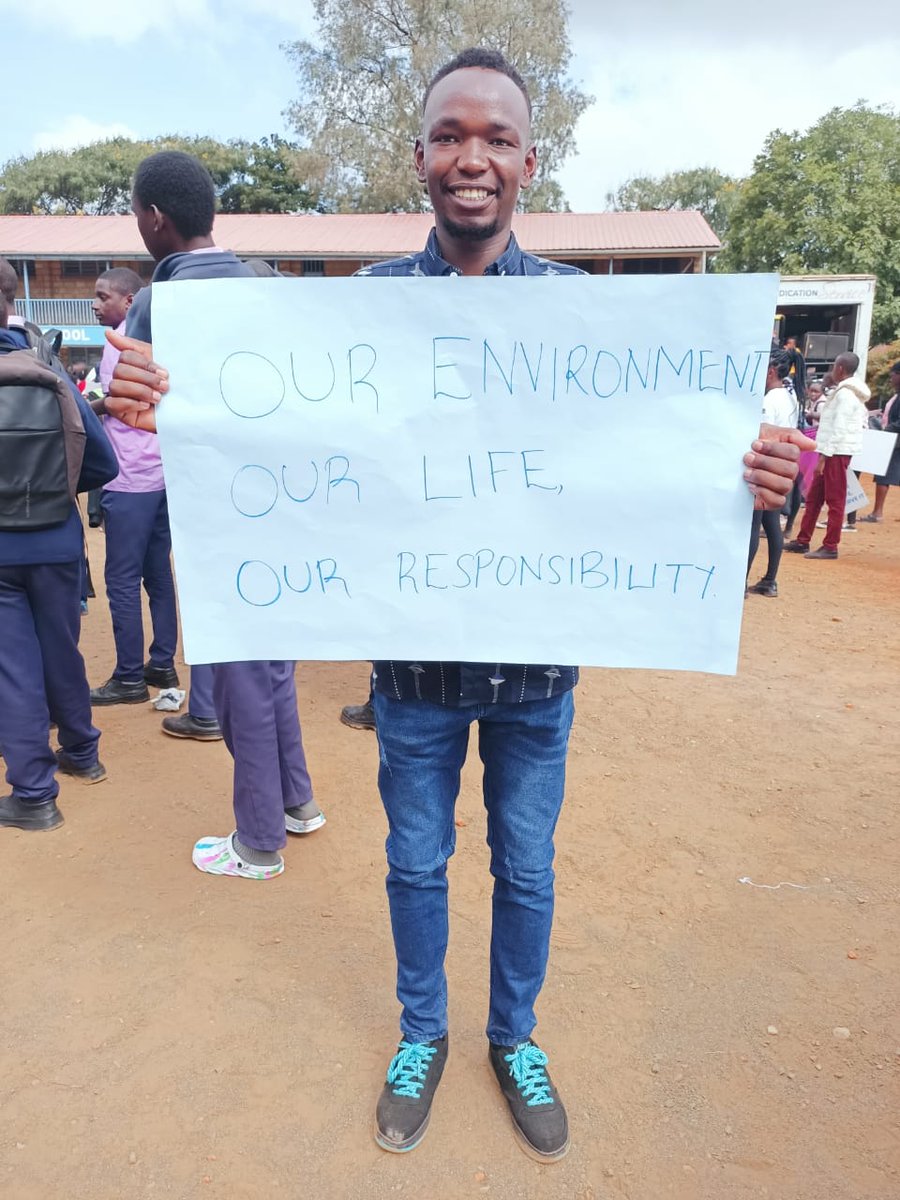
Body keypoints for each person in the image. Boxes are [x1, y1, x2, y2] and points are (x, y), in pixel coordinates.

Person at [104, 51, 810, 1160]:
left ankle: (513, 1037)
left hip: (539, 673)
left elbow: (666, 462)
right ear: (421, 155)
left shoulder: (593, 323)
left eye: (493, 138)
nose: (469, 157)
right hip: (416, 676)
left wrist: (758, 470)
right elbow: (277, 429)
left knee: (526, 867)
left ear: (530, 160)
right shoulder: (357, 317)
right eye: (448, 135)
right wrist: (157, 403)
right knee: (413, 862)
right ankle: (423, 1033)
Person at [118, 149, 323, 871]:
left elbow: (130, 409)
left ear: (154, 218)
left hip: (219, 517)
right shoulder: (265, 286)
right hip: (289, 508)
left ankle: (259, 840)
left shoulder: (158, 301)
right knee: (274, 667)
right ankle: (297, 802)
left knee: (239, 676)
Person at [0, 293, 119, 832]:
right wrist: (55, 490)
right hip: (57, 541)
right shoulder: (48, 371)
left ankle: (33, 794)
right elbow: (102, 461)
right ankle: (82, 751)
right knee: (61, 649)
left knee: (13, 667)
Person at [785, 351, 869, 559]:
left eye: (834, 367)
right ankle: (803, 539)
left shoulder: (846, 394)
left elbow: (838, 428)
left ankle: (831, 545)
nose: (832, 371)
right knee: (815, 497)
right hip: (833, 450)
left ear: (840, 368)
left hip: (836, 452)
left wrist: (824, 456)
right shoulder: (846, 392)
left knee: (835, 498)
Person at [747, 348, 795, 597]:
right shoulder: (788, 396)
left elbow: (760, 435)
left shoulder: (768, 400)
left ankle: (740, 583)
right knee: (772, 525)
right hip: (781, 467)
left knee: (753, 526)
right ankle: (770, 580)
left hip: (765, 466)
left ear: (771, 371)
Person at [859, 361, 900, 523]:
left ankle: (877, 513)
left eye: (893, 375)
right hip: (892, 439)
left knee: (883, 475)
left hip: (894, 441)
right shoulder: (896, 395)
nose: (891, 378)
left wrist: (888, 428)